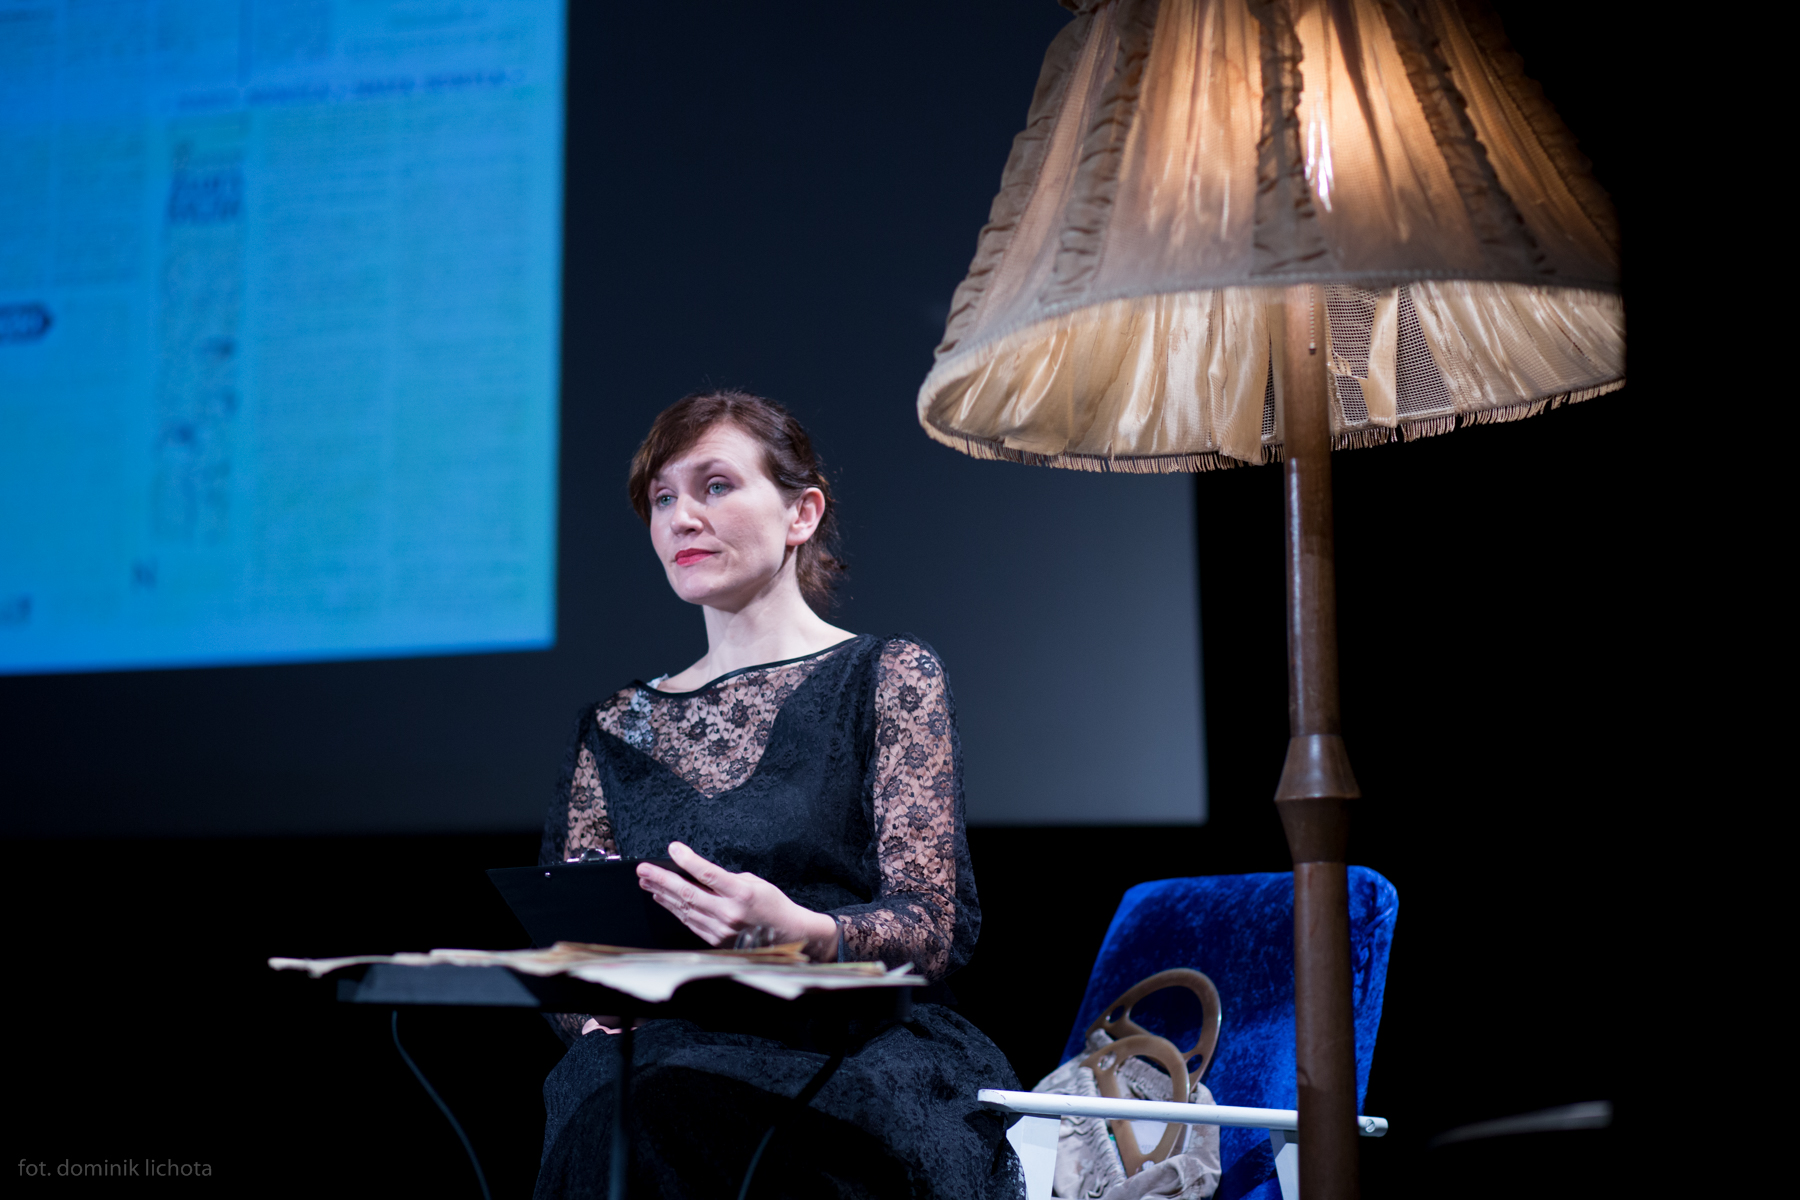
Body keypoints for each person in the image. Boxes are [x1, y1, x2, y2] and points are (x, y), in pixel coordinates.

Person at [534, 390, 1025, 1199]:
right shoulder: (614, 727)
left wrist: (799, 932)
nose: (682, 518)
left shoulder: (885, 675)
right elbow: (571, 953)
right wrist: (595, 1003)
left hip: (840, 1052)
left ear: (802, 513)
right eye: (662, 499)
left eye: (715, 485)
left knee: (659, 1109)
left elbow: (933, 925)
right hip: (657, 1056)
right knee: (614, 1102)